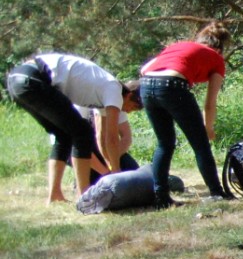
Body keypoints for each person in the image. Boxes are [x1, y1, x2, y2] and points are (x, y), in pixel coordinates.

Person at [5, 53, 141, 204]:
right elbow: (112, 138)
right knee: (82, 132)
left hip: (17, 81)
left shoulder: (105, 93)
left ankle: (55, 195)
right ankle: (84, 196)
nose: (128, 111)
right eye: (133, 107)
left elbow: (101, 138)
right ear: (128, 95)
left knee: (63, 135)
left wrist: (110, 168)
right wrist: (117, 175)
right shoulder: (113, 88)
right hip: (33, 79)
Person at [139, 21, 233, 206]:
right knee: (200, 144)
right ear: (219, 48)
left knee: (165, 143)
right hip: (173, 86)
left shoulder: (178, 46)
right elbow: (210, 103)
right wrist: (208, 127)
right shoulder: (216, 58)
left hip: (146, 86)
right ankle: (216, 192)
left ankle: (161, 197)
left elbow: (144, 69)